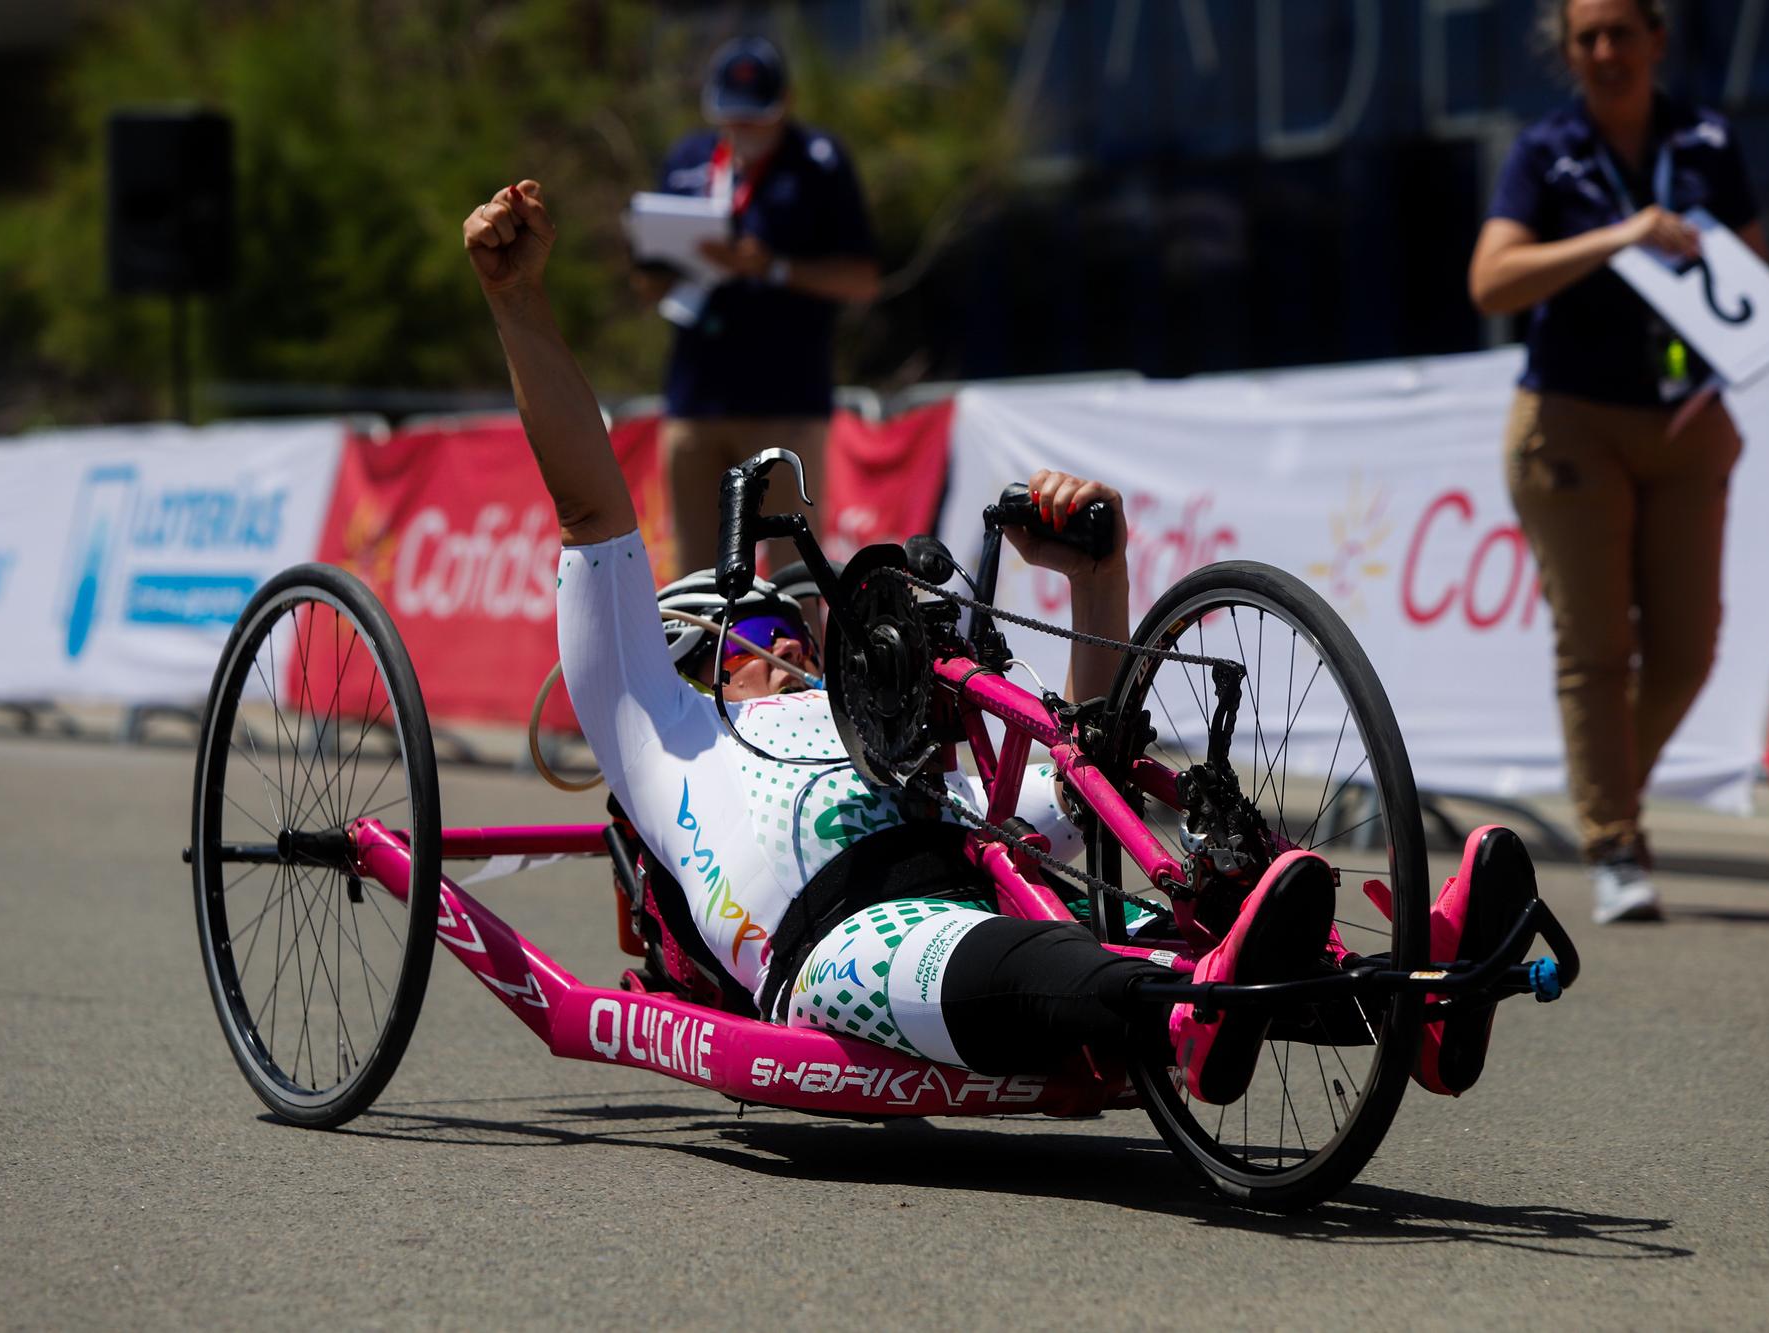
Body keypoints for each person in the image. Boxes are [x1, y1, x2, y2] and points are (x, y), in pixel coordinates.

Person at [465, 178, 1526, 1102]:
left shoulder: (903, 749)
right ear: (685, 663)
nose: (776, 640)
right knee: (1016, 952)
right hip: (842, 944)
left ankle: (1418, 1002)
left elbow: (1075, 785)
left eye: (792, 624)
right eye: (742, 627)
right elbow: (590, 508)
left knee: (1120, 931)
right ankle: (1186, 1012)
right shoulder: (662, 739)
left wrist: (1093, 575)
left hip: (985, 887)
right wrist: (517, 306)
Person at [1467, 0, 1769, 925]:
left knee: (1690, 646)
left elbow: (1742, 269)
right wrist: (1617, 237)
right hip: (1570, 422)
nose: (1606, 52)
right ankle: (1614, 838)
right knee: (1596, 647)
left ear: (1658, 38)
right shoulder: (1547, 151)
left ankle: (1605, 790)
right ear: (1569, 52)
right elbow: (1491, 280)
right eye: (1587, 38)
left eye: (1623, 31)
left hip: (1686, 418)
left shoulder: (1704, 139)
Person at [635, 35, 880, 578]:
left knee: (797, 576)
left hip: (786, 404)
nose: (742, 131)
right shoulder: (687, 160)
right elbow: (646, 283)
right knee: (696, 582)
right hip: (695, 401)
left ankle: (806, 665)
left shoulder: (819, 163)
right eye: (733, 118)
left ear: (786, 103)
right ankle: (698, 668)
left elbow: (863, 279)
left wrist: (771, 266)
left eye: (756, 119)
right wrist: (685, 259)